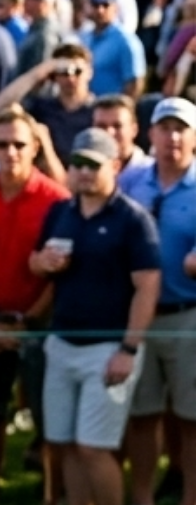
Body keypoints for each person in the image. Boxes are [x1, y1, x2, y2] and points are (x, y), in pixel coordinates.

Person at [34, 129, 160, 505]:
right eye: (78, 163)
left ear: (115, 166)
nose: (84, 172)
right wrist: (43, 262)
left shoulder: (133, 219)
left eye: (93, 164)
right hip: (62, 342)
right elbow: (34, 261)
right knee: (66, 444)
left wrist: (128, 349)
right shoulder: (60, 212)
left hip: (108, 349)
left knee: (93, 448)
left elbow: (148, 287)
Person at [0, 107, 71, 505]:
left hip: (38, 324)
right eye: (2, 144)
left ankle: (53, 497)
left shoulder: (57, 201)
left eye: (19, 144)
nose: (11, 152)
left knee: (50, 422)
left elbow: (63, 275)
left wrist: (28, 320)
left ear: (35, 147)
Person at [121, 98, 196, 505]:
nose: (173, 137)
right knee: (142, 415)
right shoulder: (132, 182)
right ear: (150, 134)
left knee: (192, 418)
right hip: (139, 316)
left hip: (188, 315)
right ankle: (143, 497)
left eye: (181, 129)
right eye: (165, 128)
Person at [0, 43, 99, 168]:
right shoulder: (43, 107)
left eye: (78, 71)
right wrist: (41, 71)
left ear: (89, 72)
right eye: (63, 72)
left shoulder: (98, 110)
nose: (70, 78)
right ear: (54, 75)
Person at [84, 0, 147, 97]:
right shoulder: (87, 37)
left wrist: (124, 106)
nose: (100, 10)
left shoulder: (126, 40)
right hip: (90, 104)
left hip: (113, 104)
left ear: (115, 8)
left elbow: (135, 82)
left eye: (105, 5)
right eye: (96, 5)